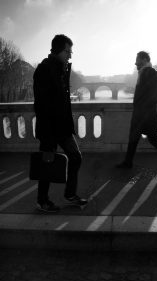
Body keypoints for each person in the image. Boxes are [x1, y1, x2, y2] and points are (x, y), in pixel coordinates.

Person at [33, 34, 88, 212]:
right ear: (57, 50)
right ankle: (42, 201)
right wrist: (47, 133)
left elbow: (61, 102)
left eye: (71, 51)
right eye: (67, 51)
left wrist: (68, 125)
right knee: (47, 164)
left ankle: (69, 194)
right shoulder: (44, 70)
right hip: (50, 128)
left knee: (76, 157)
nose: (70, 55)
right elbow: (41, 105)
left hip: (62, 127)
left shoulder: (61, 69)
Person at [117, 51, 157, 172]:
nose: (135, 62)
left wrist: (142, 109)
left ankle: (128, 162)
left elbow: (149, 94)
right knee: (152, 139)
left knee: (134, 138)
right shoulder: (145, 72)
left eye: (138, 59)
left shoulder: (148, 73)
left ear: (145, 59)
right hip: (146, 113)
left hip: (143, 114)